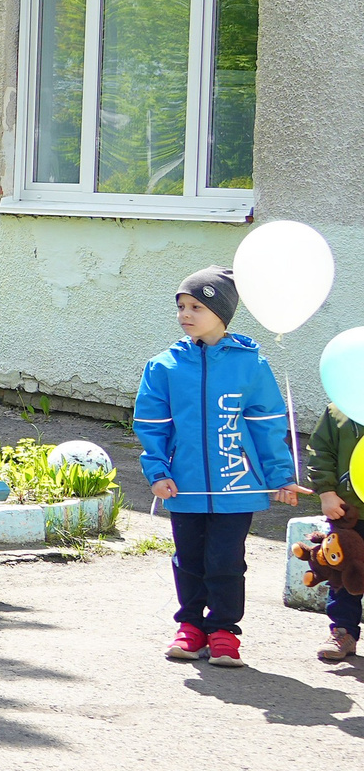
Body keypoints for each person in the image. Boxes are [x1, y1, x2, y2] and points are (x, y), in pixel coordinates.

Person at [132, 265, 301, 669]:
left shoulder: (251, 364)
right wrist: (158, 471)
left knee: (226, 561)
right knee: (188, 558)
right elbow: (152, 425)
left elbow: (267, 423)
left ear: (222, 314)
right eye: (181, 306)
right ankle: (190, 627)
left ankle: (224, 631)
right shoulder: (164, 366)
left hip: (236, 486)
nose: (186, 314)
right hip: (184, 485)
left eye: (196, 306)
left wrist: (281, 477)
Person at [305, 399, 363, 664]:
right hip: (349, 510)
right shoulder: (340, 407)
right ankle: (343, 630)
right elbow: (321, 450)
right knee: (343, 570)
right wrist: (327, 491)